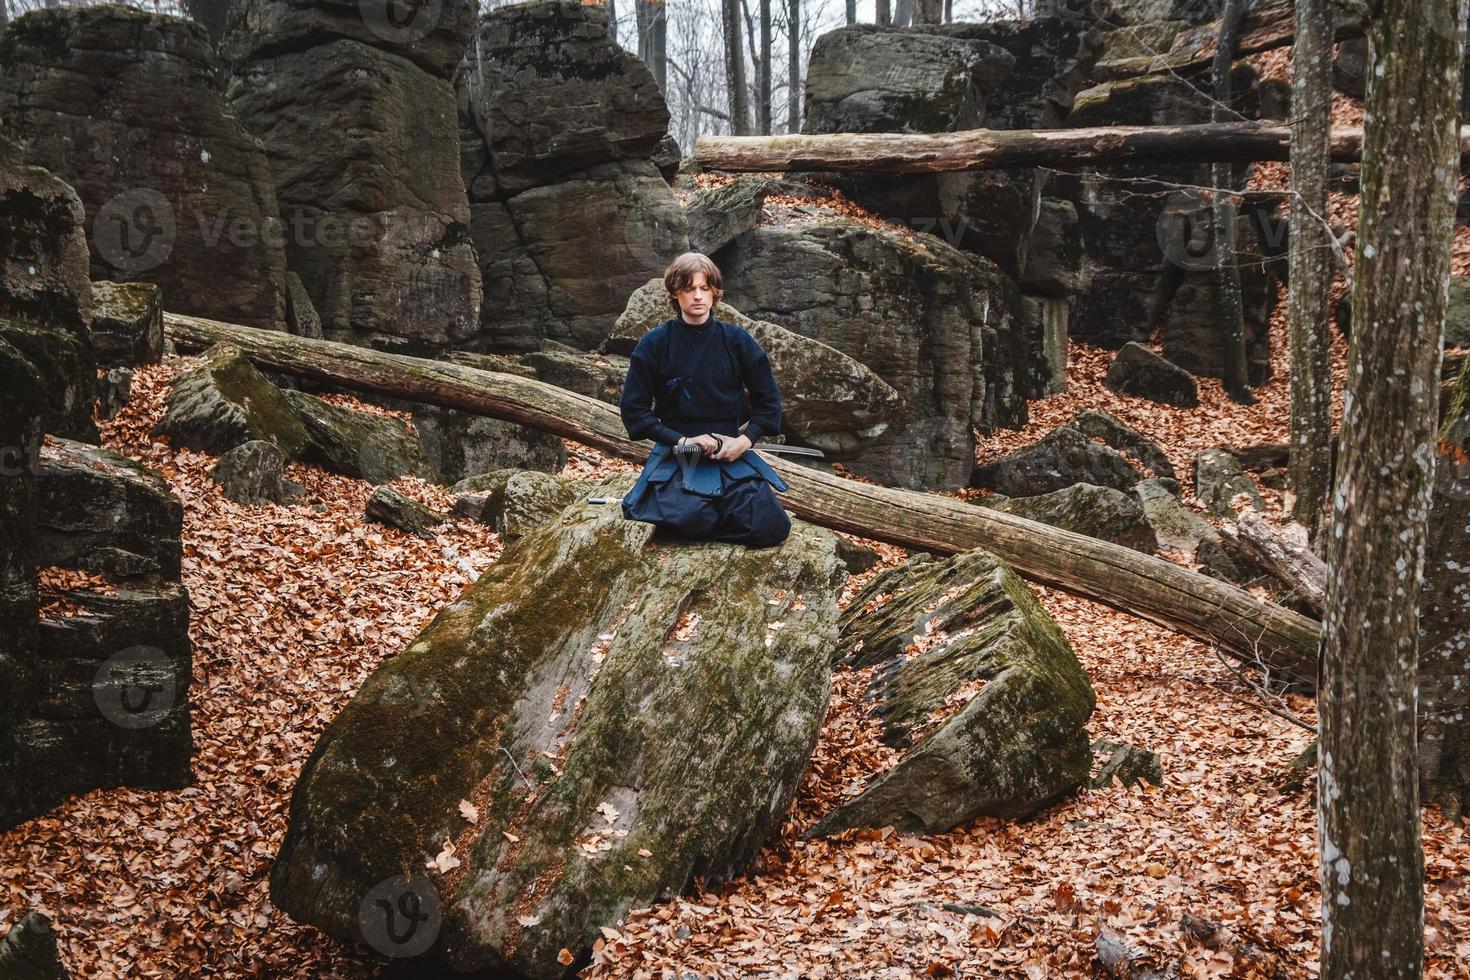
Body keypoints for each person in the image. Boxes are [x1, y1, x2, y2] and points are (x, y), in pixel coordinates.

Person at [618, 252, 793, 548]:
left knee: (772, 526)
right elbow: (635, 412)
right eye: (689, 289)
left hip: (729, 452)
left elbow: (769, 404)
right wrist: (681, 440)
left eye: (704, 288)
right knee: (690, 517)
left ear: (715, 291)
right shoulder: (656, 343)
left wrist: (744, 441)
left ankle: (717, 514)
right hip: (679, 452)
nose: (698, 297)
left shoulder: (737, 341)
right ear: (676, 293)